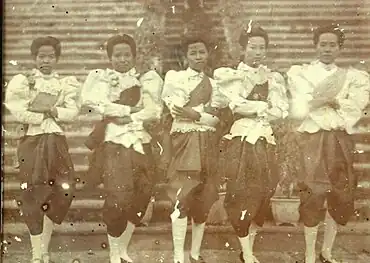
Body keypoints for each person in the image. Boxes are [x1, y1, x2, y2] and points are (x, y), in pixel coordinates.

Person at [286, 23, 370, 263]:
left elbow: (353, 107)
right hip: (313, 138)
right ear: (315, 46)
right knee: (312, 193)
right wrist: (327, 101)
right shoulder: (301, 73)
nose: (327, 49)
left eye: (332, 45)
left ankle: (327, 251)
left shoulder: (353, 77)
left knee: (340, 194)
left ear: (339, 48)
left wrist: (324, 101)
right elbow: (302, 106)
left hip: (339, 139)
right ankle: (310, 254)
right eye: (323, 44)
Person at [80, 34, 163, 263]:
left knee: (142, 194)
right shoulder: (103, 79)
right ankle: (113, 252)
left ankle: (123, 247)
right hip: (114, 143)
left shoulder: (145, 80)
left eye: (127, 54)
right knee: (117, 197)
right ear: (110, 58)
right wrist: (127, 112)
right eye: (117, 55)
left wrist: (128, 116)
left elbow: (153, 111)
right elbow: (94, 104)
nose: (123, 59)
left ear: (134, 57)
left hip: (140, 142)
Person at [214, 24, 289, 263]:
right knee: (241, 191)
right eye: (253, 47)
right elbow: (235, 104)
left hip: (265, 139)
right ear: (243, 49)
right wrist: (262, 107)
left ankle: (249, 248)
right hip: (241, 138)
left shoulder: (272, 78)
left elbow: (281, 110)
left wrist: (262, 109)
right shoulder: (232, 75)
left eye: (262, 48)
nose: (257, 52)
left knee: (264, 191)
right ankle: (246, 251)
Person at [4, 36, 80, 263]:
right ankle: (37, 253)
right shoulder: (24, 81)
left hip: (56, 141)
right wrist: (43, 113)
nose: (45, 60)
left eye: (50, 56)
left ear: (56, 59)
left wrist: (55, 112)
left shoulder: (65, 83)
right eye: (41, 56)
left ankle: (45, 247)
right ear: (34, 58)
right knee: (33, 193)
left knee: (62, 191)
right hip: (32, 141)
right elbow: (18, 111)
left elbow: (72, 111)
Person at [161, 35, 229, 263]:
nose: (198, 57)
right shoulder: (175, 78)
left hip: (207, 144)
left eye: (202, 52)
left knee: (204, 197)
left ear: (208, 54)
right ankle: (178, 257)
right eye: (193, 52)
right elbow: (176, 110)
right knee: (182, 196)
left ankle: (195, 254)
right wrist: (203, 114)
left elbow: (217, 119)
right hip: (184, 142)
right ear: (185, 56)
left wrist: (196, 114)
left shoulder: (215, 83)